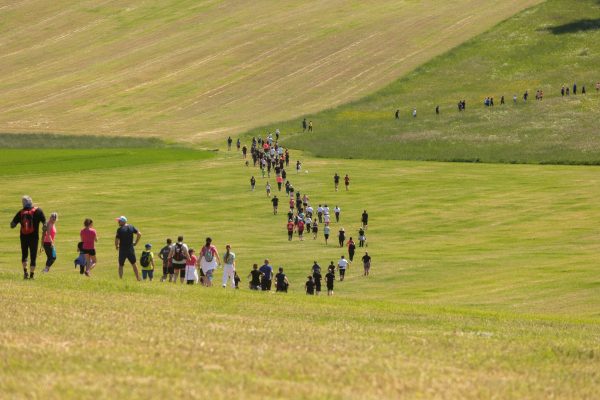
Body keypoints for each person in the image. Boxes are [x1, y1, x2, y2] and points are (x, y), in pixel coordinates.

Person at [10, 195, 46, 280]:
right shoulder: (38, 211)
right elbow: (45, 222)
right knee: (33, 256)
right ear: (31, 202)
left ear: (23, 203)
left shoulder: (21, 212)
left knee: (24, 255)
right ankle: (32, 275)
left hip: (23, 237)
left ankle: (25, 273)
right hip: (34, 237)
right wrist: (44, 227)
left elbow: (12, 225)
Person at [115, 216, 142, 281]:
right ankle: (138, 278)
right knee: (134, 264)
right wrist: (136, 242)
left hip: (122, 250)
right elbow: (139, 234)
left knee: (121, 265)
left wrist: (116, 246)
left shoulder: (119, 229)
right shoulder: (131, 227)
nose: (118, 222)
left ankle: (120, 279)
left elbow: (116, 239)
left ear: (123, 221)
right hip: (130, 249)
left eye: (119, 221)